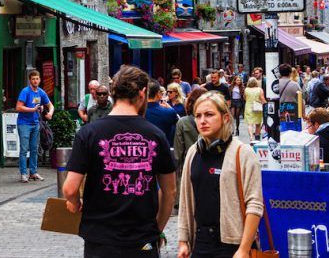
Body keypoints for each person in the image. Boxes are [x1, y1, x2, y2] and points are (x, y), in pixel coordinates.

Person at [62, 65, 176, 257]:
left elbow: (69, 189)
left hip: (100, 239)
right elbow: (170, 191)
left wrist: (75, 203)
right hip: (143, 240)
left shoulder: (88, 133)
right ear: (142, 93)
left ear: (113, 92)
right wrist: (157, 229)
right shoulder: (156, 135)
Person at [177, 92, 264, 258]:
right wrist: (183, 240)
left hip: (233, 245)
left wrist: (244, 249)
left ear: (225, 118)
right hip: (201, 242)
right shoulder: (193, 152)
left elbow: (255, 204)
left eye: (209, 114)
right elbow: (185, 199)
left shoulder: (243, 153)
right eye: (198, 116)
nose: (202, 121)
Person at [15, 70, 53, 183]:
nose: (35, 81)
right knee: (24, 149)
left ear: (40, 80)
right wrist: (32, 109)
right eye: (33, 79)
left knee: (34, 149)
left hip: (36, 124)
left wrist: (50, 113)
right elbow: (18, 107)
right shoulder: (25, 91)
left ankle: (33, 172)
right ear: (30, 80)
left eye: (37, 79)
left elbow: (50, 105)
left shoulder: (41, 92)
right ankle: (23, 173)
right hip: (24, 124)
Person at [175, 87, 208, 176]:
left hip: (189, 165)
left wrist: (178, 171)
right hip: (209, 165)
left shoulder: (182, 122)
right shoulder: (213, 120)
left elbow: (178, 152)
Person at [273, 64, 303, 137]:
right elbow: (301, 100)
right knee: (294, 134)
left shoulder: (275, 84)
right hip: (293, 111)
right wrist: (303, 113)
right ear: (290, 73)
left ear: (280, 73)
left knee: (281, 132)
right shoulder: (295, 85)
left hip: (279, 111)